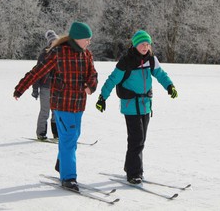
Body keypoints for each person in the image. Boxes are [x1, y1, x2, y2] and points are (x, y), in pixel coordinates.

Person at [14, 21, 98, 191]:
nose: (89, 42)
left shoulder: (86, 54)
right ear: (76, 38)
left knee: (73, 137)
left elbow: (93, 74)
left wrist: (91, 85)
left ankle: (62, 163)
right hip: (62, 103)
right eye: (86, 39)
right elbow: (37, 71)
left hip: (79, 103)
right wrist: (20, 88)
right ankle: (68, 177)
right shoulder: (58, 53)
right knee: (67, 139)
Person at [95, 30, 178, 184]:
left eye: (147, 44)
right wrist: (102, 97)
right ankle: (134, 173)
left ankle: (129, 166)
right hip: (130, 105)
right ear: (135, 44)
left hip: (145, 105)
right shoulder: (126, 61)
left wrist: (170, 86)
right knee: (136, 139)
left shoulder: (151, 60)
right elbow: (112, 80)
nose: (145, 47)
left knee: (141, 139)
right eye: (142, 44)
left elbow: (161, 74)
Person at [32, 30, 59, 140]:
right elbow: (37, 73)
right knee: (45, 111)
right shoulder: (44, 55)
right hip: (45, 87)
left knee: (56, 112)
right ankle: (41, 133)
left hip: (57, 88)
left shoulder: (60, 54)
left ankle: (57, 133)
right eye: (52, 42)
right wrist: (35, 88)